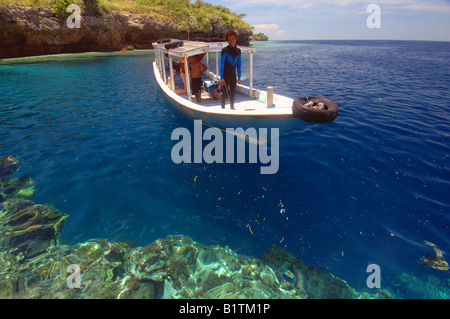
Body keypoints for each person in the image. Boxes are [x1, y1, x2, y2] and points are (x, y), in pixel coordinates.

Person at [220, 30, 241, 109]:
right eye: (229, 39)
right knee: (225, 92)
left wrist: (239, 76)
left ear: (236, 39)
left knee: (233, 92)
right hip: (225, 75)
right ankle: (222, 108)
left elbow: (239, 64)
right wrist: (221, 77)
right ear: (227, 41)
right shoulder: (224, 50)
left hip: (233, 75)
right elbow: (221, 64)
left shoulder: (238, 51)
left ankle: (232, 107)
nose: (231, 41)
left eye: (233, 38)